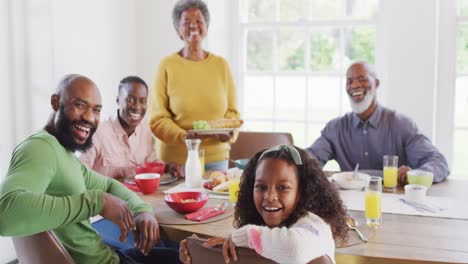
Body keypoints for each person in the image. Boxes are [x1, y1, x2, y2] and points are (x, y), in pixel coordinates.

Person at [0, 74, 180, 264]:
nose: (89, 117)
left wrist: (142, 211)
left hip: (110, 257)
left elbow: (108, 185)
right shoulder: (40, 148)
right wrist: (96, 202)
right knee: (195, 255)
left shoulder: (63, 152)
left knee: (184, 254)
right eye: (80, 105)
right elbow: (5, 214)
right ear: (55, 102)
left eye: (96, 110)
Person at [179, 145, 349, 264]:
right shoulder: (259, 228)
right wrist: (197, 251)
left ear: (303, 191)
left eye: (283, 187)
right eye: (260, 187)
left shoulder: (314, 225)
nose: (269, 196)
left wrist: (243, 237)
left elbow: (295, 250)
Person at [306, 62, 450, 185]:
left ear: (377, 83)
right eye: (349, 81)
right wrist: (291, 160)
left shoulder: (401, 125)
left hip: (396, 202)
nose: (355, 85)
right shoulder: (336, 128)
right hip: (349, 204)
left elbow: (439, 163)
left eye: (362, 79)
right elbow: (312, 157)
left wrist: (414, 175)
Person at [149, 0, 241, 171]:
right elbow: (157, 118)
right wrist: (185, 137)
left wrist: (228, 133)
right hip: (177, 161)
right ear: (178, 29)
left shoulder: (221, 65)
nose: (193, 26)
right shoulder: (167, 65)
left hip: (217, 159)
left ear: (206, 26)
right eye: (186, 22)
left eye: (199, 20)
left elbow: (233, 113)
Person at [79, 76, 183, 181]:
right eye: (130, 100)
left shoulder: (145, 129)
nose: (137, 107)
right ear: (118, 101)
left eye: (142, 101)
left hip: (137, 195)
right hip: (103, 195)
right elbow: (79, 174)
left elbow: (151, 164)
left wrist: (167, 167)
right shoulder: (97, 132)